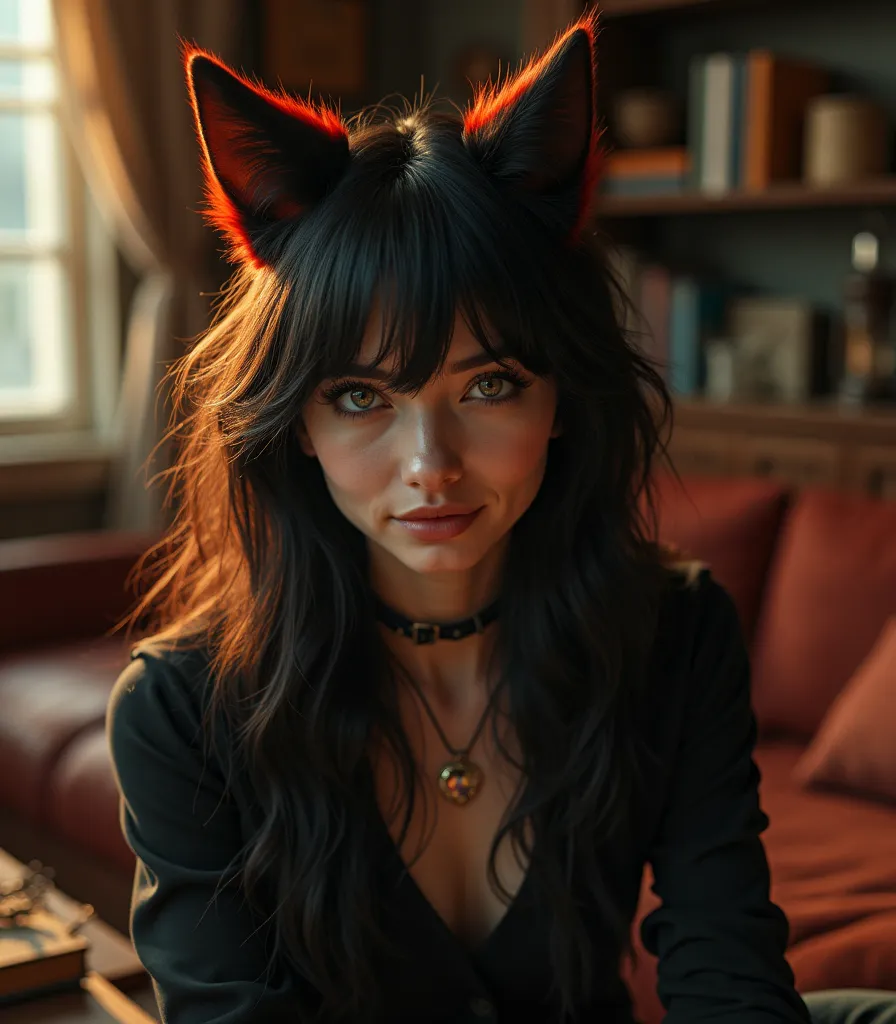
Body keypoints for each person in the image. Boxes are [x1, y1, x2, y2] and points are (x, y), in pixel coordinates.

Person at [105, 11, 896, 1024]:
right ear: (294, 423)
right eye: (361, 398)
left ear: (559, 396)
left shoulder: (671, 636)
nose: (430, 466)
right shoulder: (185, 711)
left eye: (488, 386)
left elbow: (726, 975)